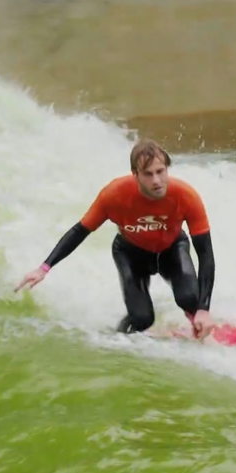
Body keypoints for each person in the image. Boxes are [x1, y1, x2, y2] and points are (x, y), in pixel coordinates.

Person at [14, 138, 217, 339]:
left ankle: (198, 326)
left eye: (160, 172)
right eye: (148, 174)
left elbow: (205, 253)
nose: (156, 181)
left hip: (171, 249)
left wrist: (204, 309)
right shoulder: (115, 195)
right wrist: (44, 268)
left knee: (191, 299)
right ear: (135, 175)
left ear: (167, 169)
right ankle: (115, 341)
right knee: (142, 318)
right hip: (131, 254)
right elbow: (80, 231)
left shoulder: (186, 196)